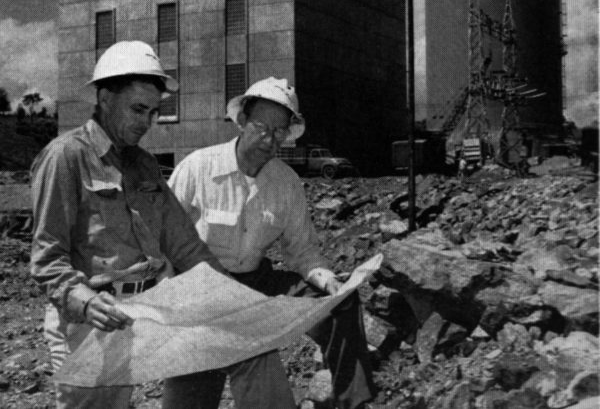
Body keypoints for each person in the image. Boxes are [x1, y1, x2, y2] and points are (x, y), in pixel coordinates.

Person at [30, 41, 233, 408]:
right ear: (106, 98)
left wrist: (231, 293)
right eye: (138, 109)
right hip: (87, 322)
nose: (146, 122)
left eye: (153, 113)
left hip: (134, 314)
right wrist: (87, 302)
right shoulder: (66, 157)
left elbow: (184, 243)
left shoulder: (143, 165)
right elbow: (47, 258)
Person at [166, 77, 377, 409]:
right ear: (243, 121)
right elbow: (164, 237)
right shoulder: (198, 167)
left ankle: (354, 402)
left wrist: (329, 281)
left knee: (339, 305)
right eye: (263, 127)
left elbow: (302, 251)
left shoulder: (286, 182)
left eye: (280, 132)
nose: (270, 139)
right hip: (202, 290)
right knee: (193, 390)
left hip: (257, 285)